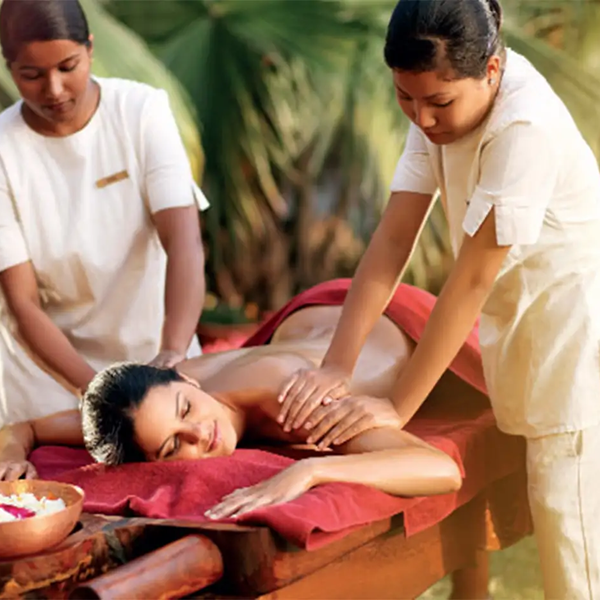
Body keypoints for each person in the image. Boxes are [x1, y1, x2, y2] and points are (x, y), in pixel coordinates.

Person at [277, 1, 600, 597]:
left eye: (438, 103)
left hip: (577, 343)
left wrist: (397, 406)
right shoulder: (437, 101)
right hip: (526, 331)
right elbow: (393, 239)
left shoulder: (523, 129)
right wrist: (336, 367)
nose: (422, 118)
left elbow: (471, 279)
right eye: (405, 97)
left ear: (492, 71)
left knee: (574, 554)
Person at [0, 0, 208, 427]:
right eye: (31, 75)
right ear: (9, 69)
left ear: (90, 48)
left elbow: (184, 242)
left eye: (68, 67)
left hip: (157, 362)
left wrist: (173, 351)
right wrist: (98, 392)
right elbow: (23, 303)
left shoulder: (141, 111)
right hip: (45, 379)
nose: (54, 90)